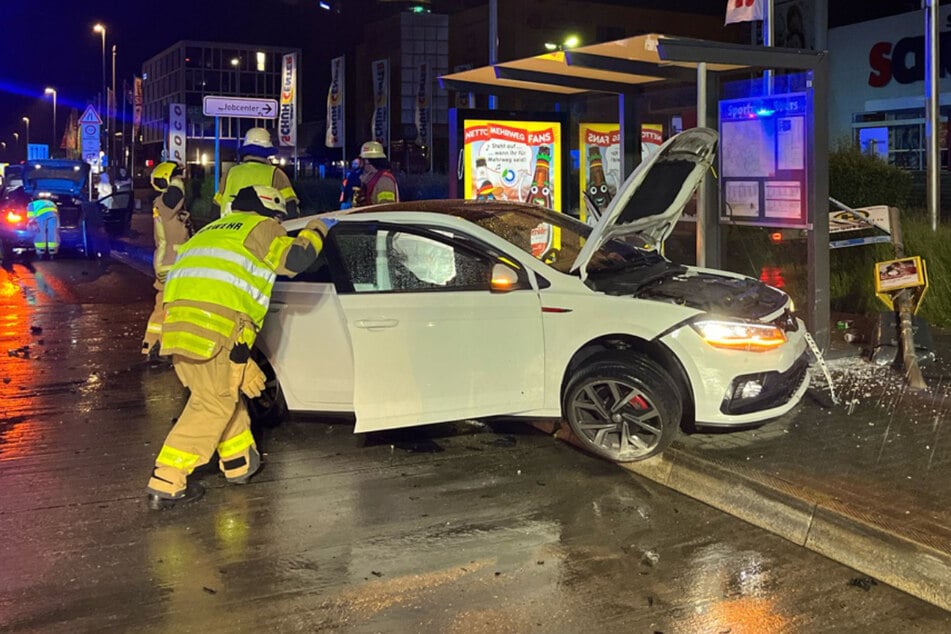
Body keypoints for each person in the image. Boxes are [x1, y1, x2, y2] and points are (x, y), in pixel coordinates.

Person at [145, 184, 335, 509]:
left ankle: (238, 464)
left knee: (218, 395)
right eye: (278, 216)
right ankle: (168, 478)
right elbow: (298, 259)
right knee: (213, 405)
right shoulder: (262, 228)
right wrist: (318, 229)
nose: (279, 222)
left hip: (178, 328)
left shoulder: (209, 232)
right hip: (216, 330)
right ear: (272, 211)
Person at [141, 161, 193, 363]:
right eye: (176, 178)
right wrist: (177, 179)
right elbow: (175, 195)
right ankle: (157, 345)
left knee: (167, 306)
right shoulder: (164, 203)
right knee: (167, 307)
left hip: (172, 264)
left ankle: (158, 344)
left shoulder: (167, 207)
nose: (181, 183)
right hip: (171, 265)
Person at [213, 127, 299, 218]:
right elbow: (290, 206)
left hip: (229, 229)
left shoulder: (230, 173)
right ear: (267, 152)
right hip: (261, 229)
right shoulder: (276, 174)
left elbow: (216, 206)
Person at [355, 141, 399, 206]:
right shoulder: (371, 177)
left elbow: (386, 207)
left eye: (362, 160)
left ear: (367, 161)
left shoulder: (384, 181)